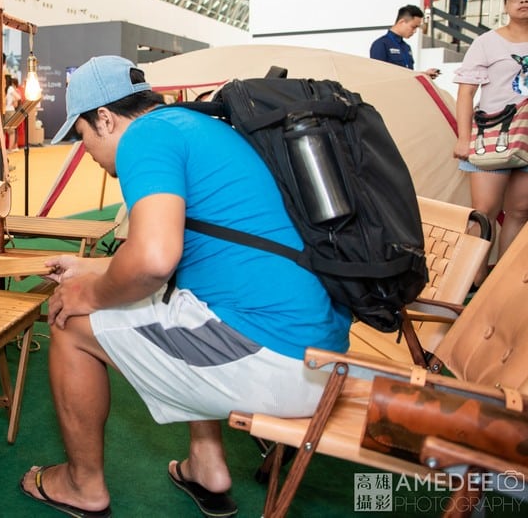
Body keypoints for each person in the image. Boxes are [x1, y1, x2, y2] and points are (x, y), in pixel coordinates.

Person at [18, 56, 350, 517]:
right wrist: (91, 269)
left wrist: (87, 294)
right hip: (319, 349)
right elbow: (183, 257)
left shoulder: (144, 140)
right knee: (186, 305)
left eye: (83, 136)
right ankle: (205, 463)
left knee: (71, 325)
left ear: (107, 118)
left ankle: (82, 485)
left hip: (281, 360)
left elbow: (154, 260)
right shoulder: (196, 125)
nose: (87, 153)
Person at [452, 0, 528, 283]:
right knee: (483, 213)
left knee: (520, 213)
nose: (524, 0)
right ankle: (468, 284)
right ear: (507, 3)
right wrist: (462, 138)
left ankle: (500, 285)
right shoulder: (487, 42)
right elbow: (466, 93)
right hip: (492, 133)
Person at [369, 5, 440, 78]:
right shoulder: (381, 44)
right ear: (402, 22)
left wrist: (424, 74)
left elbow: (407, 74)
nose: (415, 31)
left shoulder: (406, 47)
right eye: (413, 27)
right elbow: (378, 75)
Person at [4, 74, 23, 150]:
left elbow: (18, 97)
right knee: (8, 131)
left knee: (10, 131)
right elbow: (18, 97)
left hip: (8, 111)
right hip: (8, 110)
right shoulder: (9, 88)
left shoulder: (10, 89)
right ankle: (9, 148)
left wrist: (13, 101)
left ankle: (9, 148)